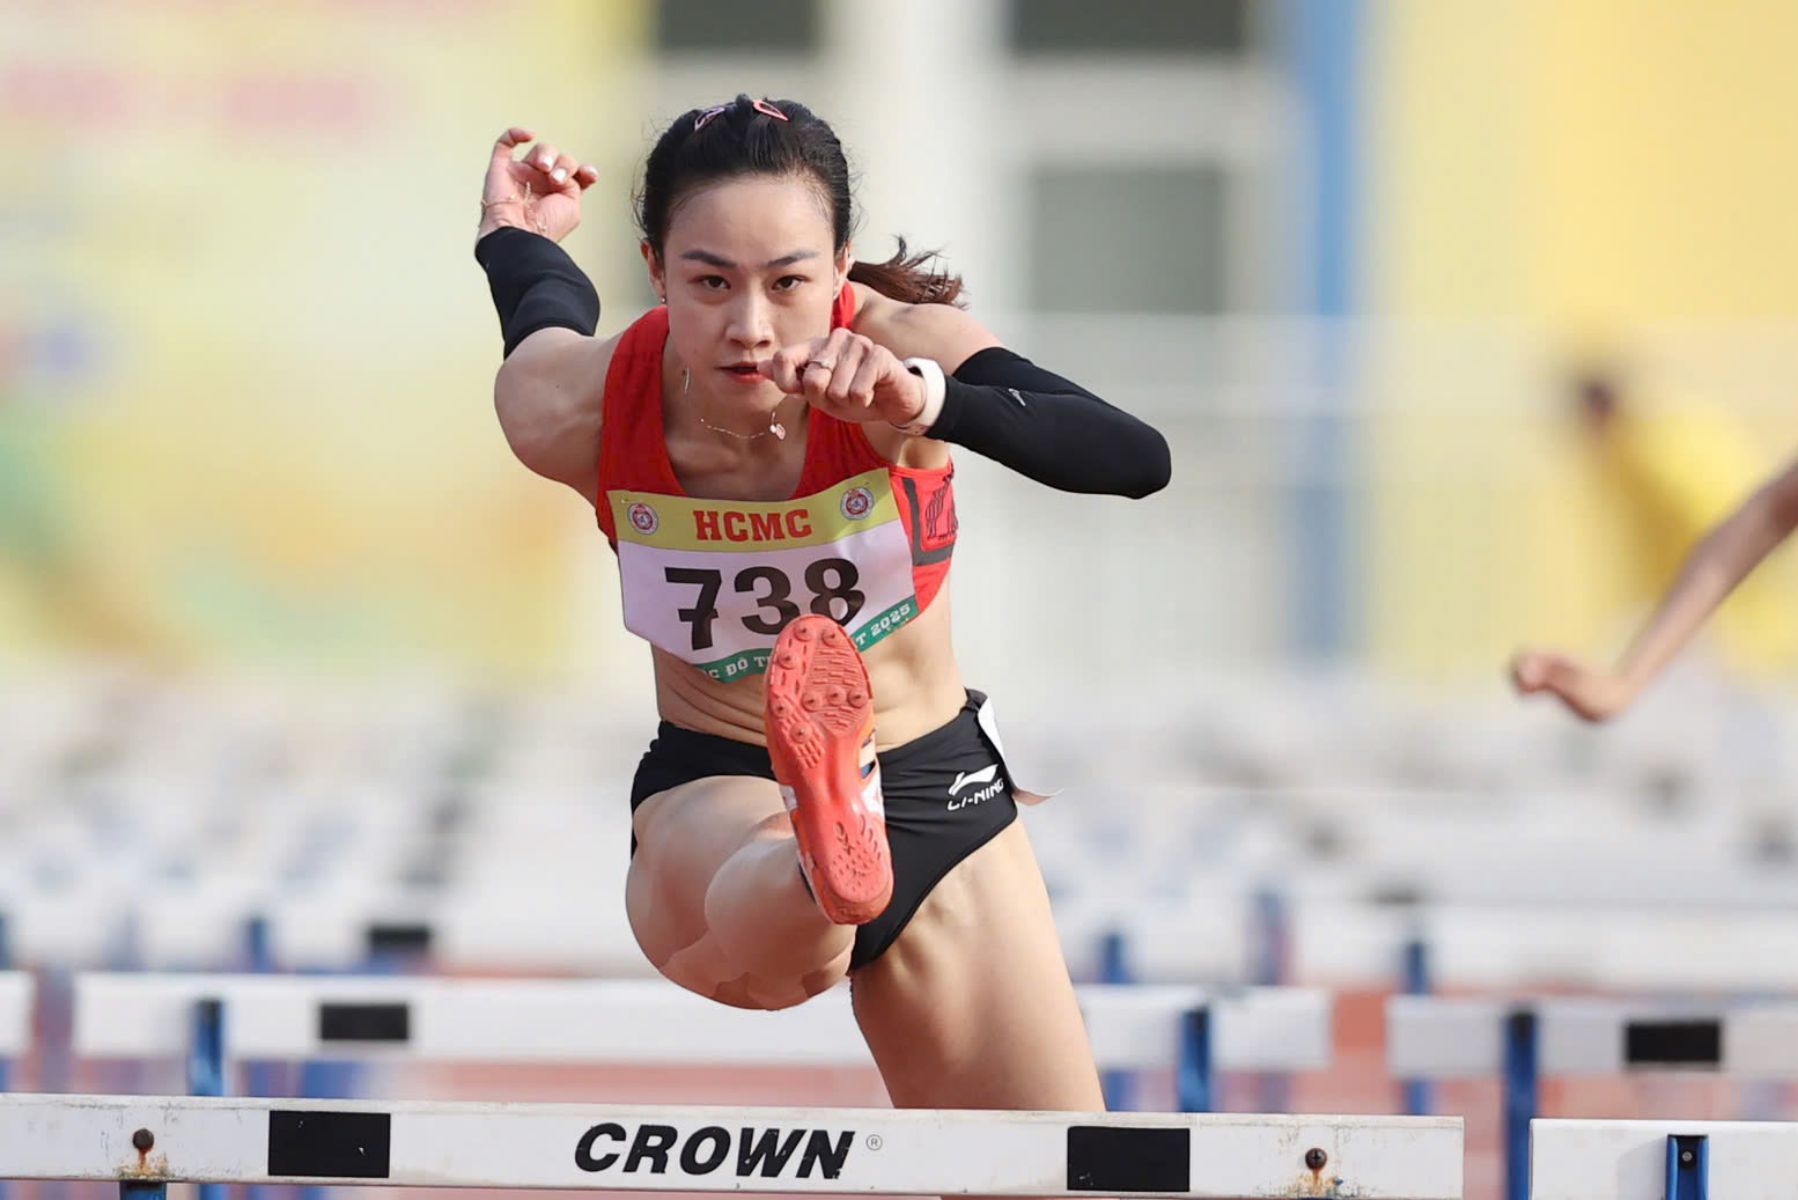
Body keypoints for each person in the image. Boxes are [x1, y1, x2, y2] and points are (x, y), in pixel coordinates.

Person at [473, 96, 1169, 1114]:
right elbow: (543, 308)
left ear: (842, 268)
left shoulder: (905, 347)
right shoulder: (569, 407)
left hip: (938, 794)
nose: (749, 328)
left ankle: (838, 833)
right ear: (655, 269)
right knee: (781, 915)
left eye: (789, 282)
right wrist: (511, 235)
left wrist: (925, 402)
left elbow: (1134, 458)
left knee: (1053, 1172)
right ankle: (819, 846)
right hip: (719, 787)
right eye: (710, 282)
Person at [1513, 442, 1798, 722]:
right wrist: (1624, 683)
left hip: (1748, 666)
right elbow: (1770, 513)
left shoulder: (1667, 454)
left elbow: (1771, 514)